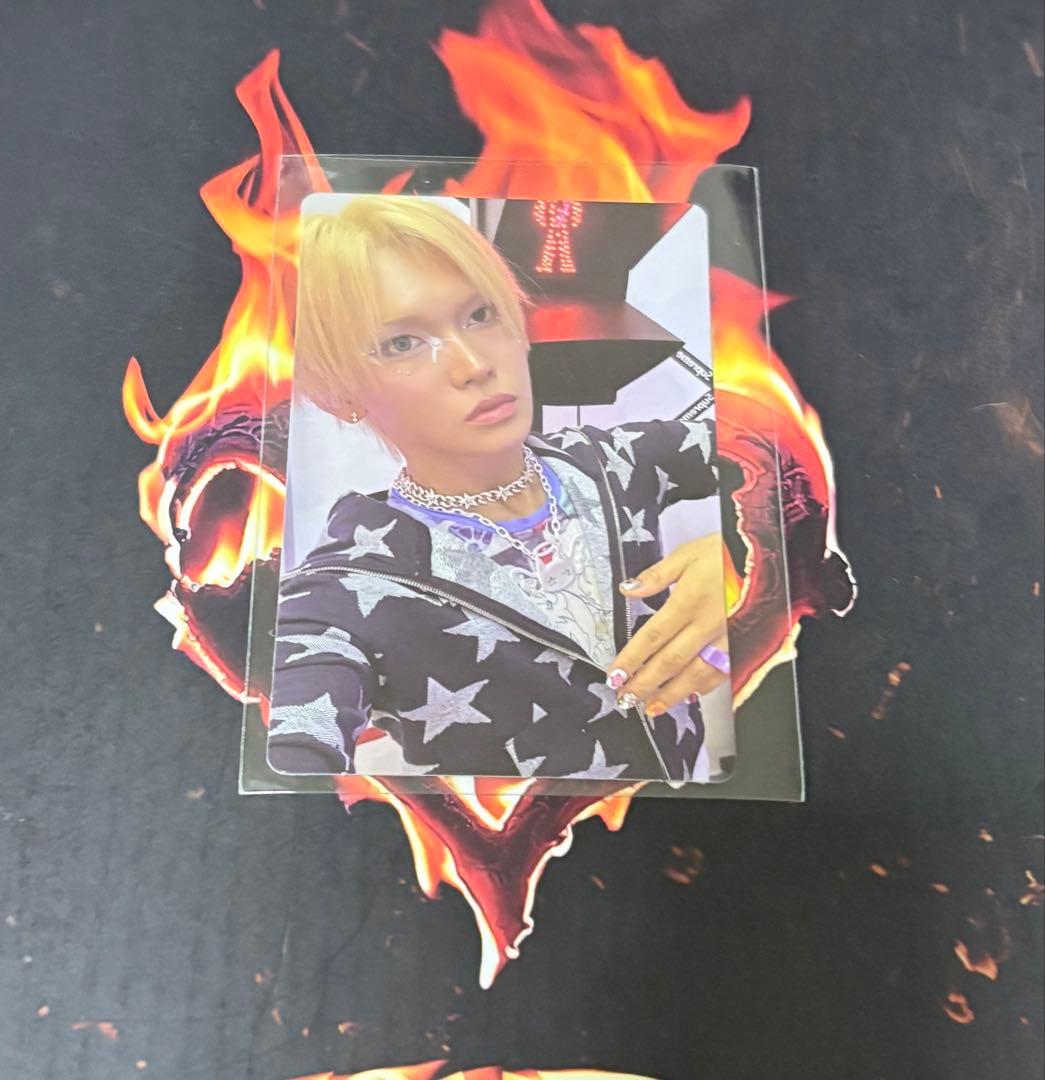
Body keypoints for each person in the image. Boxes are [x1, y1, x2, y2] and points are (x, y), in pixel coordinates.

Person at [267, 195, 731, 783]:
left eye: (481, 314)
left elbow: (794, 449)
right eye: (402, 343)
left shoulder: (612, 460)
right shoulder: (339, 593)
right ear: (339, 394)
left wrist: (745, 561)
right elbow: (288, 755)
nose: (473, 365)